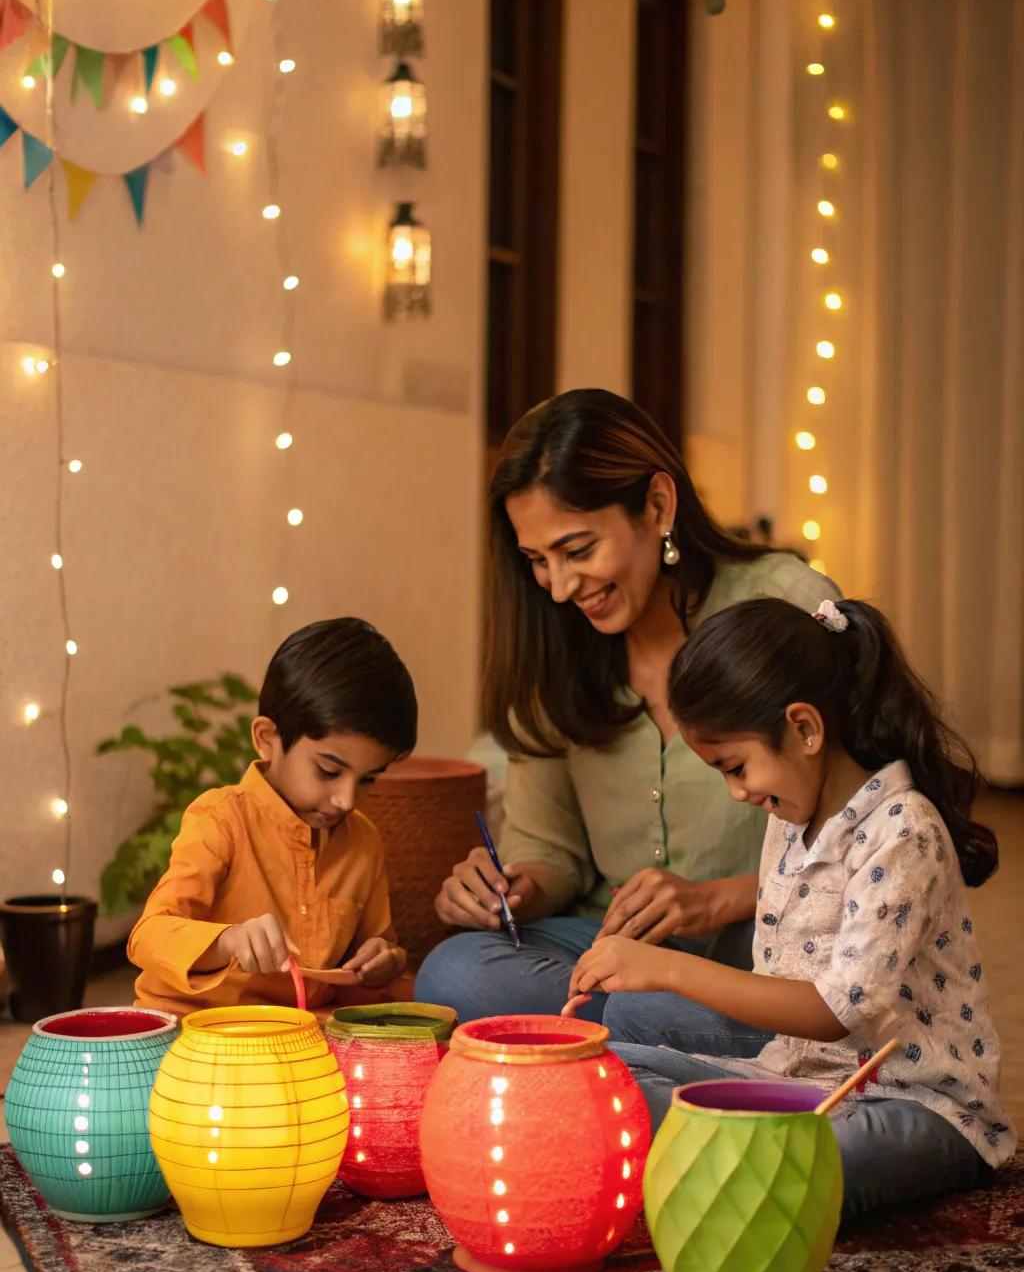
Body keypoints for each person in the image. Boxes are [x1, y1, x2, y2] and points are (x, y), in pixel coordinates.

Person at [569, 596, 1016, 1219]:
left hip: (914, 1105)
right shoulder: (789, 816)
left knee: (803, 1168)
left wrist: (664, 965)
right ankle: (713, 1149)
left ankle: (716, 1156)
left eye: (736, 767)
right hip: (799, 1078)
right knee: (602, 1068)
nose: (738, 792)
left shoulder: (904, 831)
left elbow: (838, 1012)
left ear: (805, 729)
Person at [415, 389, 838, 1026]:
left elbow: (874, 841)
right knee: (455, 972)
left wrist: (718, 901)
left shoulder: (785, 605)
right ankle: (675, 1043)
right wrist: (511, 890)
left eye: (578, 550)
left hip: (771, 949)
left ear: (658, 506)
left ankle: (641, 1044)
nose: (559, 587)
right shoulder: (554, 645)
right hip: (619, 954)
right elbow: (550, 851)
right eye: (537, 560)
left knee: (801, 1002)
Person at [129, 618, 416, 1017]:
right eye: (329, 771)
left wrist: (382, 961)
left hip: (300, 1034)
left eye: (367, 779)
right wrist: (229, 941)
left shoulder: (362, 841)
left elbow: (380, 947)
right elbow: (149, 936)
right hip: (196, 1033)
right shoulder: (220, 819)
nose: (347, 799)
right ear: (267, 739)